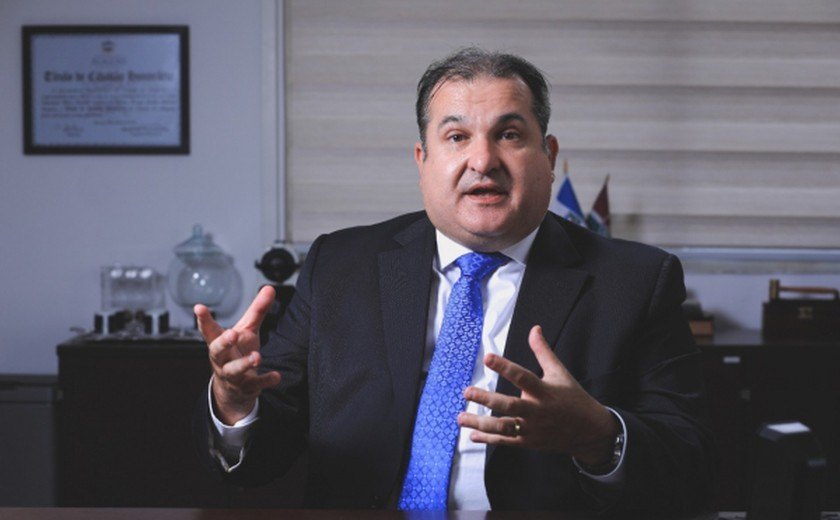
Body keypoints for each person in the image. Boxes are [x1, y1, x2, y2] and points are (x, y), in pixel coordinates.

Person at [194, 47, 715, 515]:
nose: (482, 161)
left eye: (509, 135)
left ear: (549, 156)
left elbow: (688, 463)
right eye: (457, 137)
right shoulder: (339, 266)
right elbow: (264, 453)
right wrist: (235, 404)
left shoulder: (636, 281)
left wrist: (597, 435)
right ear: (422, 161)